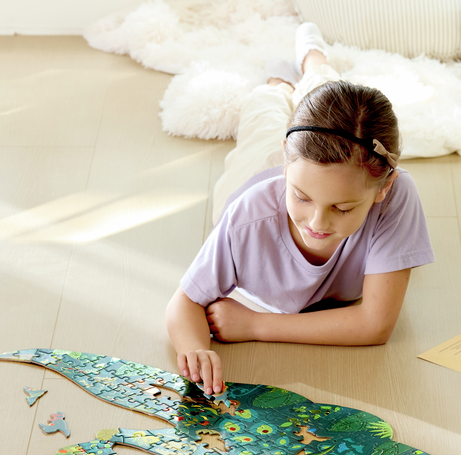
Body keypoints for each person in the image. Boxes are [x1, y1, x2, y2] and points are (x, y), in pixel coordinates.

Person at [165, 22, 435, 395]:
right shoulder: (247, 217)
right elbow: (184, 302)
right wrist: (195, 349)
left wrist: (256, 325)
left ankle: (313, 60)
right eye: (303, 198)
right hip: (257, 173)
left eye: (343, 208)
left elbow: (376, 325)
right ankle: (279, 83)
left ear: (383, 187)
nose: (317, 223)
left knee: (335, 102)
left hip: (307, 167)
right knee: (264, 111)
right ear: (287, 165)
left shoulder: (396, 191)